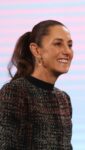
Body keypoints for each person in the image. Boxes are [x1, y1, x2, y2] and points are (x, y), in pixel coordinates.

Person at [0, 20, 73, 150]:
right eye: (58, 44)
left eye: (70, 45)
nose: (67, 51)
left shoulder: (64, 99)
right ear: (36, 50)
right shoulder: (15, 92)